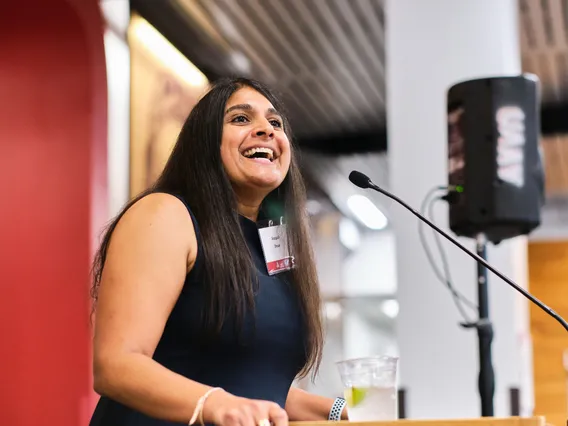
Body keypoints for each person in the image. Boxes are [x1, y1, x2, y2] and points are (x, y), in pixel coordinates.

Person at [89, 77, 348, 426]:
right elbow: (116, 365)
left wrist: (341, 412)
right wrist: (214, 404)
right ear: (204, 144)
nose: (266, 130)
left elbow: (253, 385)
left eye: (276, 123)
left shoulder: (275, 241)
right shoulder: (164, 214)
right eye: (241, 119)